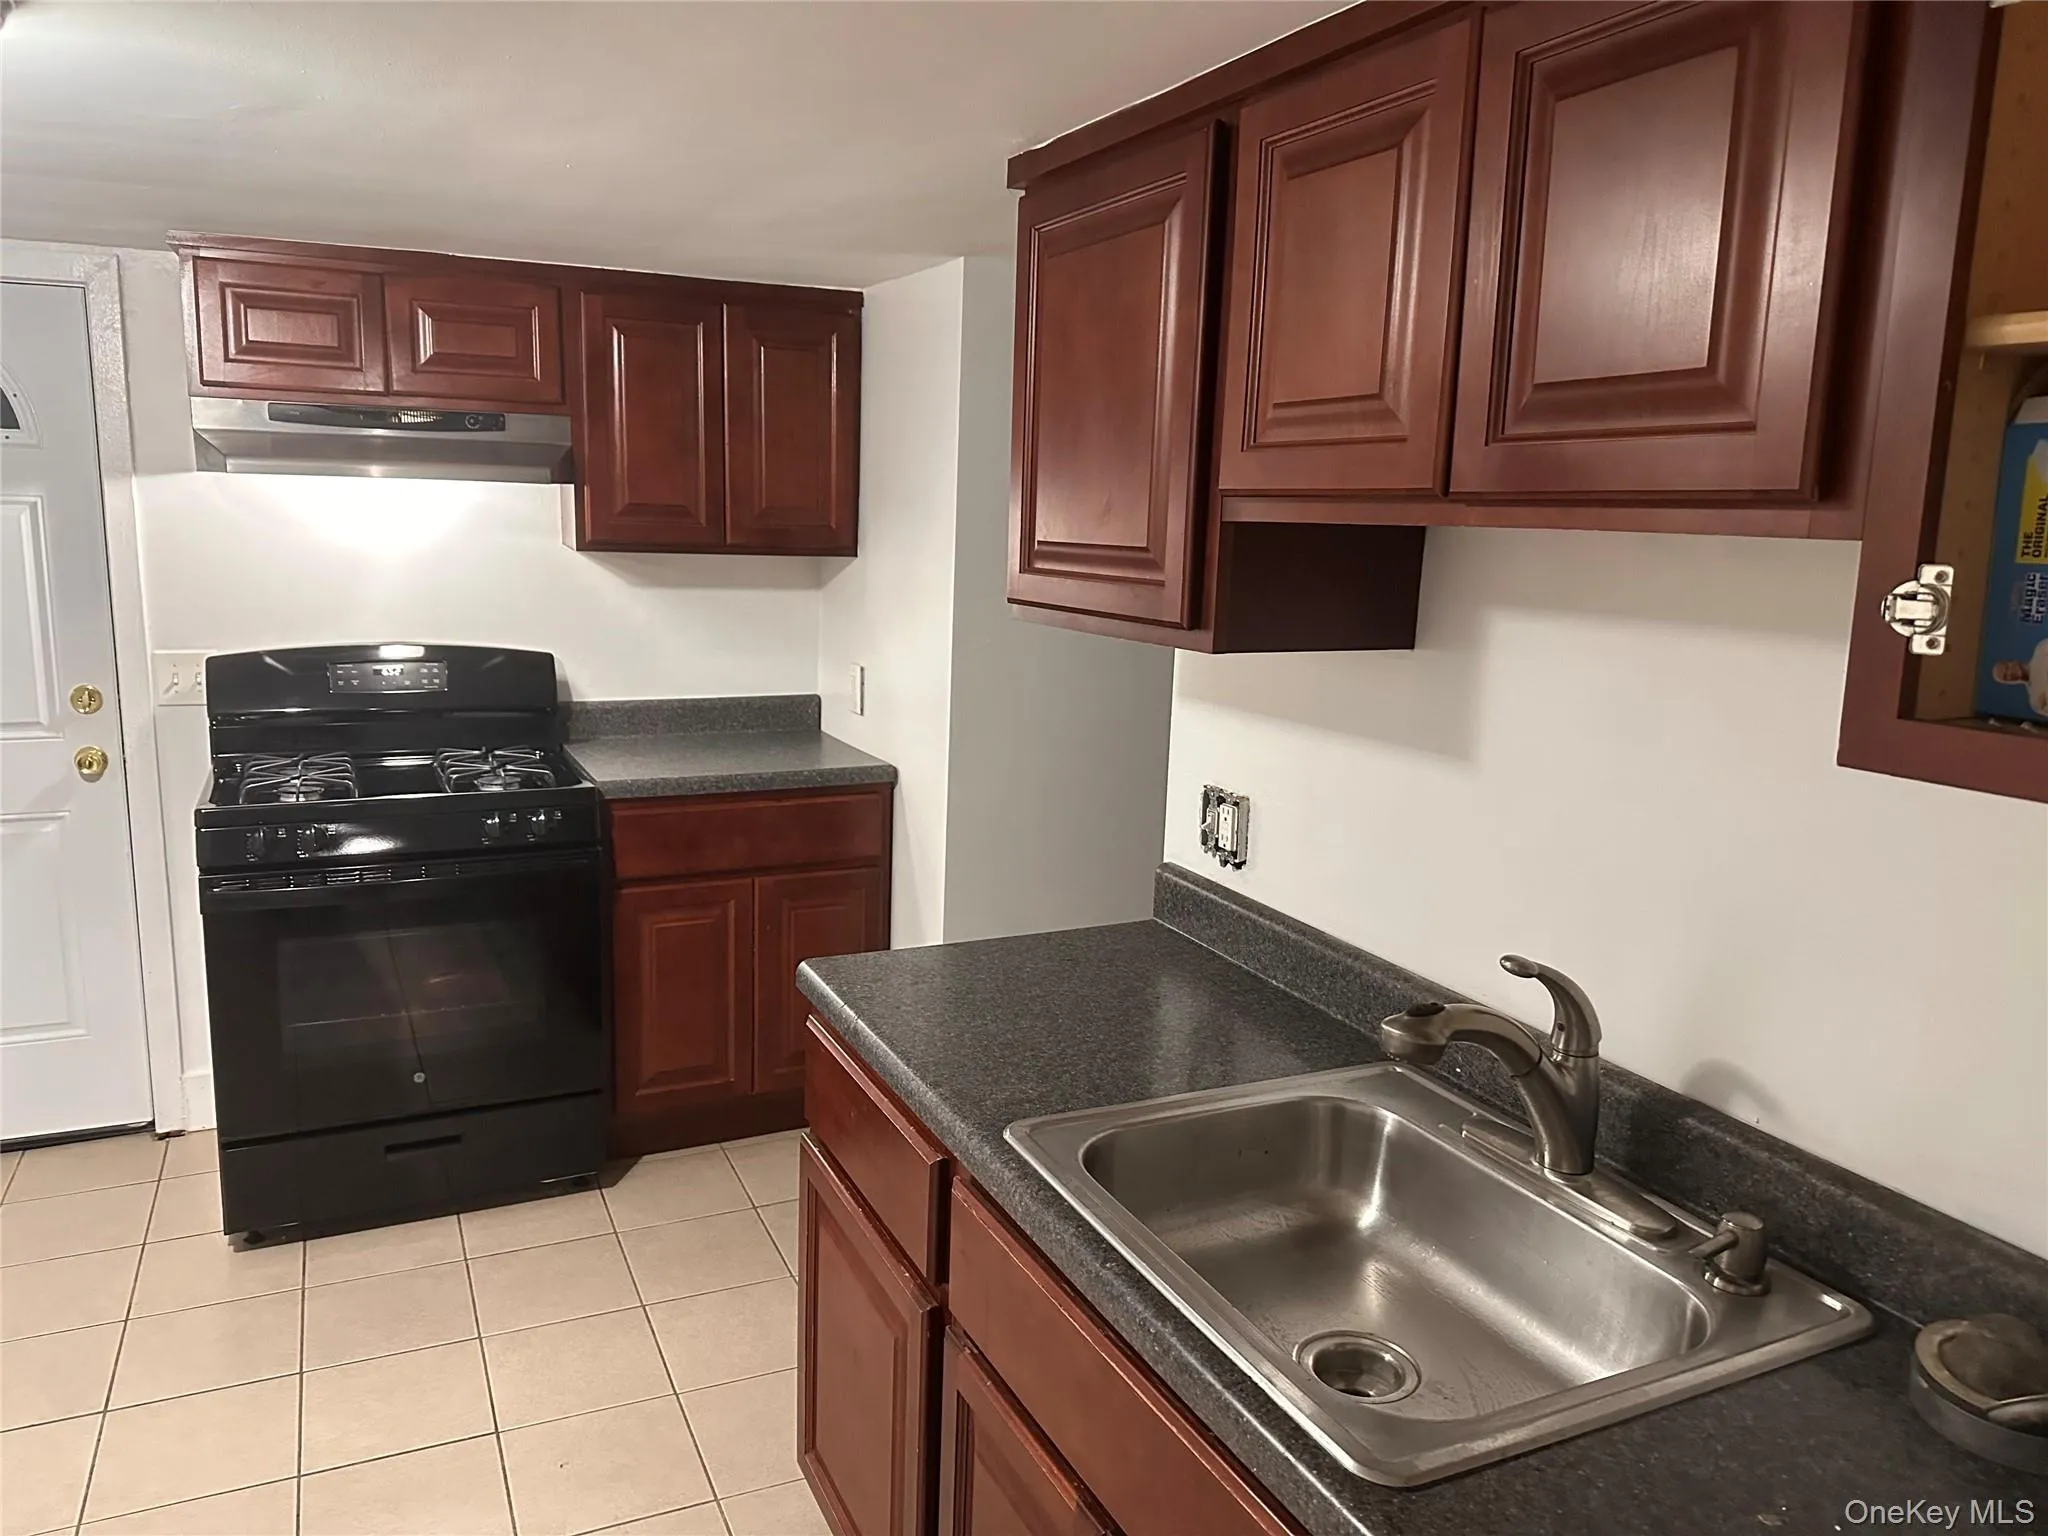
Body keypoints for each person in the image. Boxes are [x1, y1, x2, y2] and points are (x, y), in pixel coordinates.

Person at [1989, 636, 2048, 718]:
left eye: (2007, 671)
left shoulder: (2041, 651)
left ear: (2011, 662)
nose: (2010, 677)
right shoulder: (2036, 701)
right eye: (2006, 679)